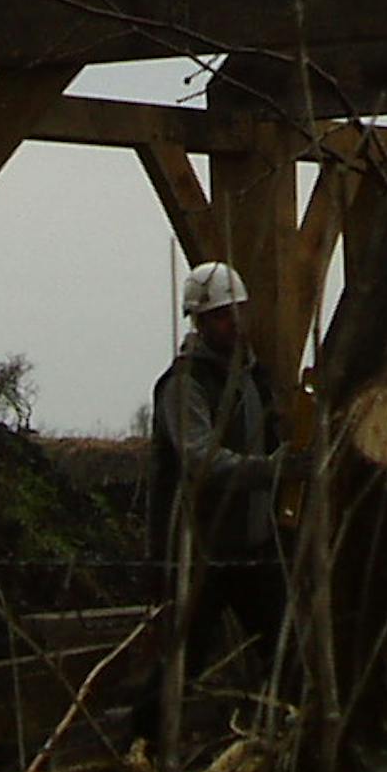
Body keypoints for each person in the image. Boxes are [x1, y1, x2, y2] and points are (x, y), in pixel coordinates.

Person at [142, 261, 286, 722]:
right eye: (222, 315)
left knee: (287, 653)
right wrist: (271, 471)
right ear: (199, 322)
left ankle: (285, 744)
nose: (234, 323)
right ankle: (143, 743)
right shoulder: (185, 384)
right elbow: (200, 459)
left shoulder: (253, 378)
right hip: (199, 549)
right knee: (181, 664)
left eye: (238, 311)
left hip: (252, 545)